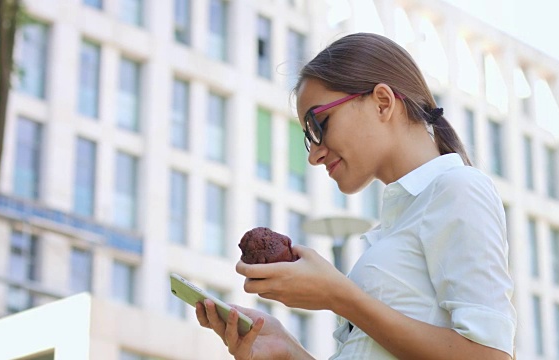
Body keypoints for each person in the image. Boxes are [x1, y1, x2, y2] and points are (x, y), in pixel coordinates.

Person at [196, 32, 517, 360]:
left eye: (319, 125)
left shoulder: (458, 188)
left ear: (382, 102)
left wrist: (339, 296)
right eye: (309, 139)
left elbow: (490, 355)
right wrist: (288, 352)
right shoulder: (396, 223)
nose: (314, 155)